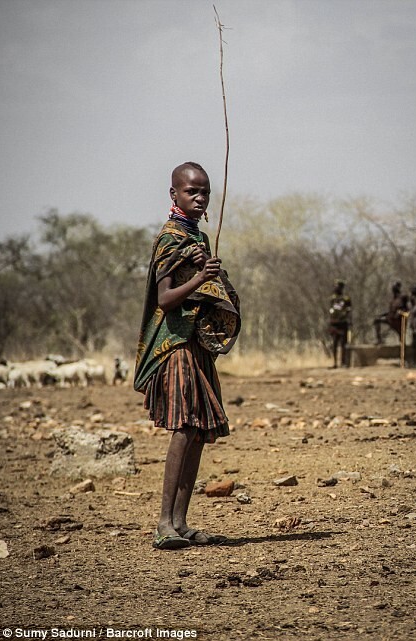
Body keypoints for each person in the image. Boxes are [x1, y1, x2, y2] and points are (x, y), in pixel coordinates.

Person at [134, 162, 241, 550]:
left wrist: (215, 279)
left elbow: (202, 292)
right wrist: (200, 277)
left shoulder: (199, 237)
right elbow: (164, 299)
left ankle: (181, 522)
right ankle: (164, 522)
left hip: (196, 345)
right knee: (183, 427)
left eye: (205, 193)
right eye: (192, 192)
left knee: (197, 431)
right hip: (175, 346)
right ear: (173, 194)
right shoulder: (169, 238)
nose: (200, 199)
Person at [373, 281, 409, 345]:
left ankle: (404, 349)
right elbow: (391, 311)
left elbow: (406, 309)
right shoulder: (393, 300)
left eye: (395, 288)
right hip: (390, 319)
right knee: (376, 320)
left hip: (399, 321)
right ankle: (379, 340)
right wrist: (382, 315)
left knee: (402, 339)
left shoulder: (403, 297)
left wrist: (399, 314)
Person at [328, 279, 352, 368]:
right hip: (334, 324)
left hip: (342, 324)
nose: (335, 288)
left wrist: (349, 321)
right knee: (334, 344)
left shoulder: (346, 299)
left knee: (343, 344)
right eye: (335, 286)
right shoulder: (333, 298)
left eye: (337, 286)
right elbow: (331, 310)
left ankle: (343, 363)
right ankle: (334, 363)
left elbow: (349, 311)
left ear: (341, 287)